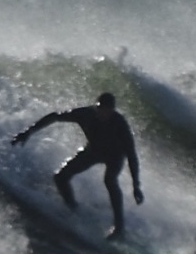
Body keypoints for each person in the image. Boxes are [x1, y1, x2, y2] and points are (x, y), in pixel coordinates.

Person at [11, 92, 143, 240]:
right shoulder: (85, 114)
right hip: (93, 151)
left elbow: (132, 155)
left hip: (115, 156)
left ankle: (119, 228)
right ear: (96, 106)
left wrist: (136, 185)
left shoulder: (120, 124)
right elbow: (55, 116)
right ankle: (73, 209)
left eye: (107, 111)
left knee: (110, 180)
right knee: (60, 177)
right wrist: (28, 132)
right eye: (100, 109)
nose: (102, 113)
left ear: (112, 110)